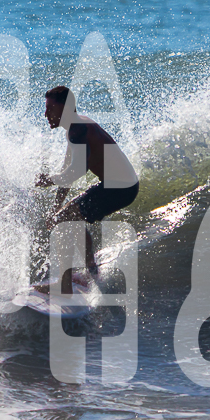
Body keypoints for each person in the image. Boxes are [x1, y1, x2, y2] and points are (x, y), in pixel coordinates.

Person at [36, 85, 138, 291]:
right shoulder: (75, 128)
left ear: (65, 108)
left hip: (120, 188)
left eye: (50, 109)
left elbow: (78, 169)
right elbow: (67, 170)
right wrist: (56, 206)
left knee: (64, 221)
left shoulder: (78, 130)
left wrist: (50, 180)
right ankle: (92, 272)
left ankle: (64, 285)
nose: (46, 114)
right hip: (118, 185)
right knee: (67, 217)